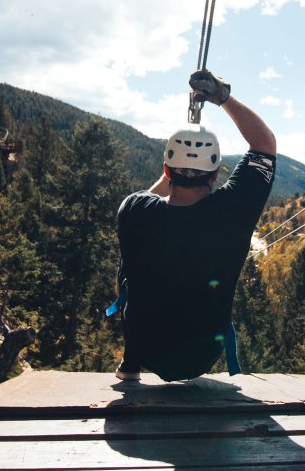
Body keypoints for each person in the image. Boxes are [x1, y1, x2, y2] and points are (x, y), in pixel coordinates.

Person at [113, 69, 276, 382]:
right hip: (202, 354)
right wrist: (222, 96)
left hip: (147, 348)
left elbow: (149, 197)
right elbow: (264, 144)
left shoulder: (133, 211)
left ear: (167, 170)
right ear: (215, 175)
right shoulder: (234, 210)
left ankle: (129, 362)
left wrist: (175, 167)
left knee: (126, 264)